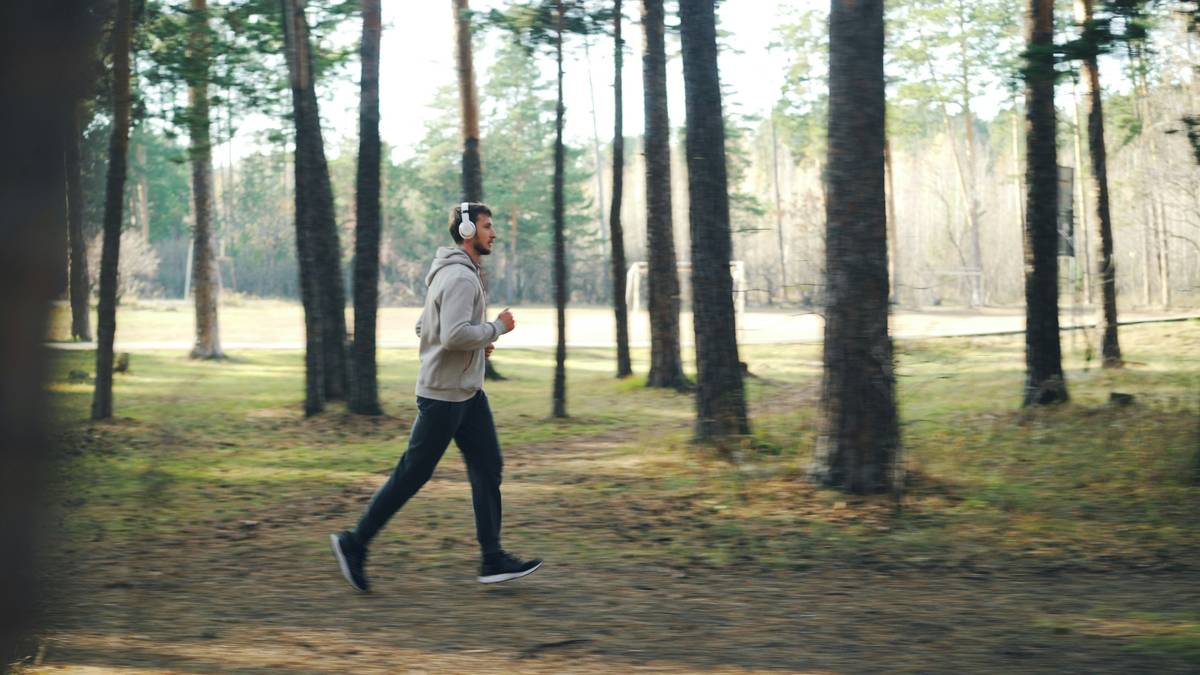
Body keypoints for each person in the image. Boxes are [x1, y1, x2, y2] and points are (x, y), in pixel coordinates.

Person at [331, 202, 542, 591]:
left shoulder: (454, 273)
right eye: (487, 226)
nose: (493, 233)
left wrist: (475, 343)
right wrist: (495, 329)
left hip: (466, 392)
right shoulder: (459, 277)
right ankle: (354, 543)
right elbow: (451, 335)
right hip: (445, 396)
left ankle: (492, 558)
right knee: (412, 474)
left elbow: (425, 325)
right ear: (467, 232)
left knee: (487, 465)